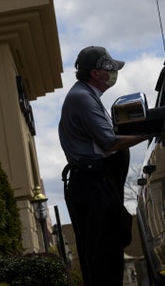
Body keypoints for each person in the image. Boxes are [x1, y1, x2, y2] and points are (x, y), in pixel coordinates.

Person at [58, 46, 151, 286]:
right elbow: (109, 142)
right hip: (92, 186)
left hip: (97, 184)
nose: (114, 74)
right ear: (96, 73)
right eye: (110, 70)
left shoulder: (88, 96)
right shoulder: (82, 97)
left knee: (107, 254)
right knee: (103, 258)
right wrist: (152, 131)